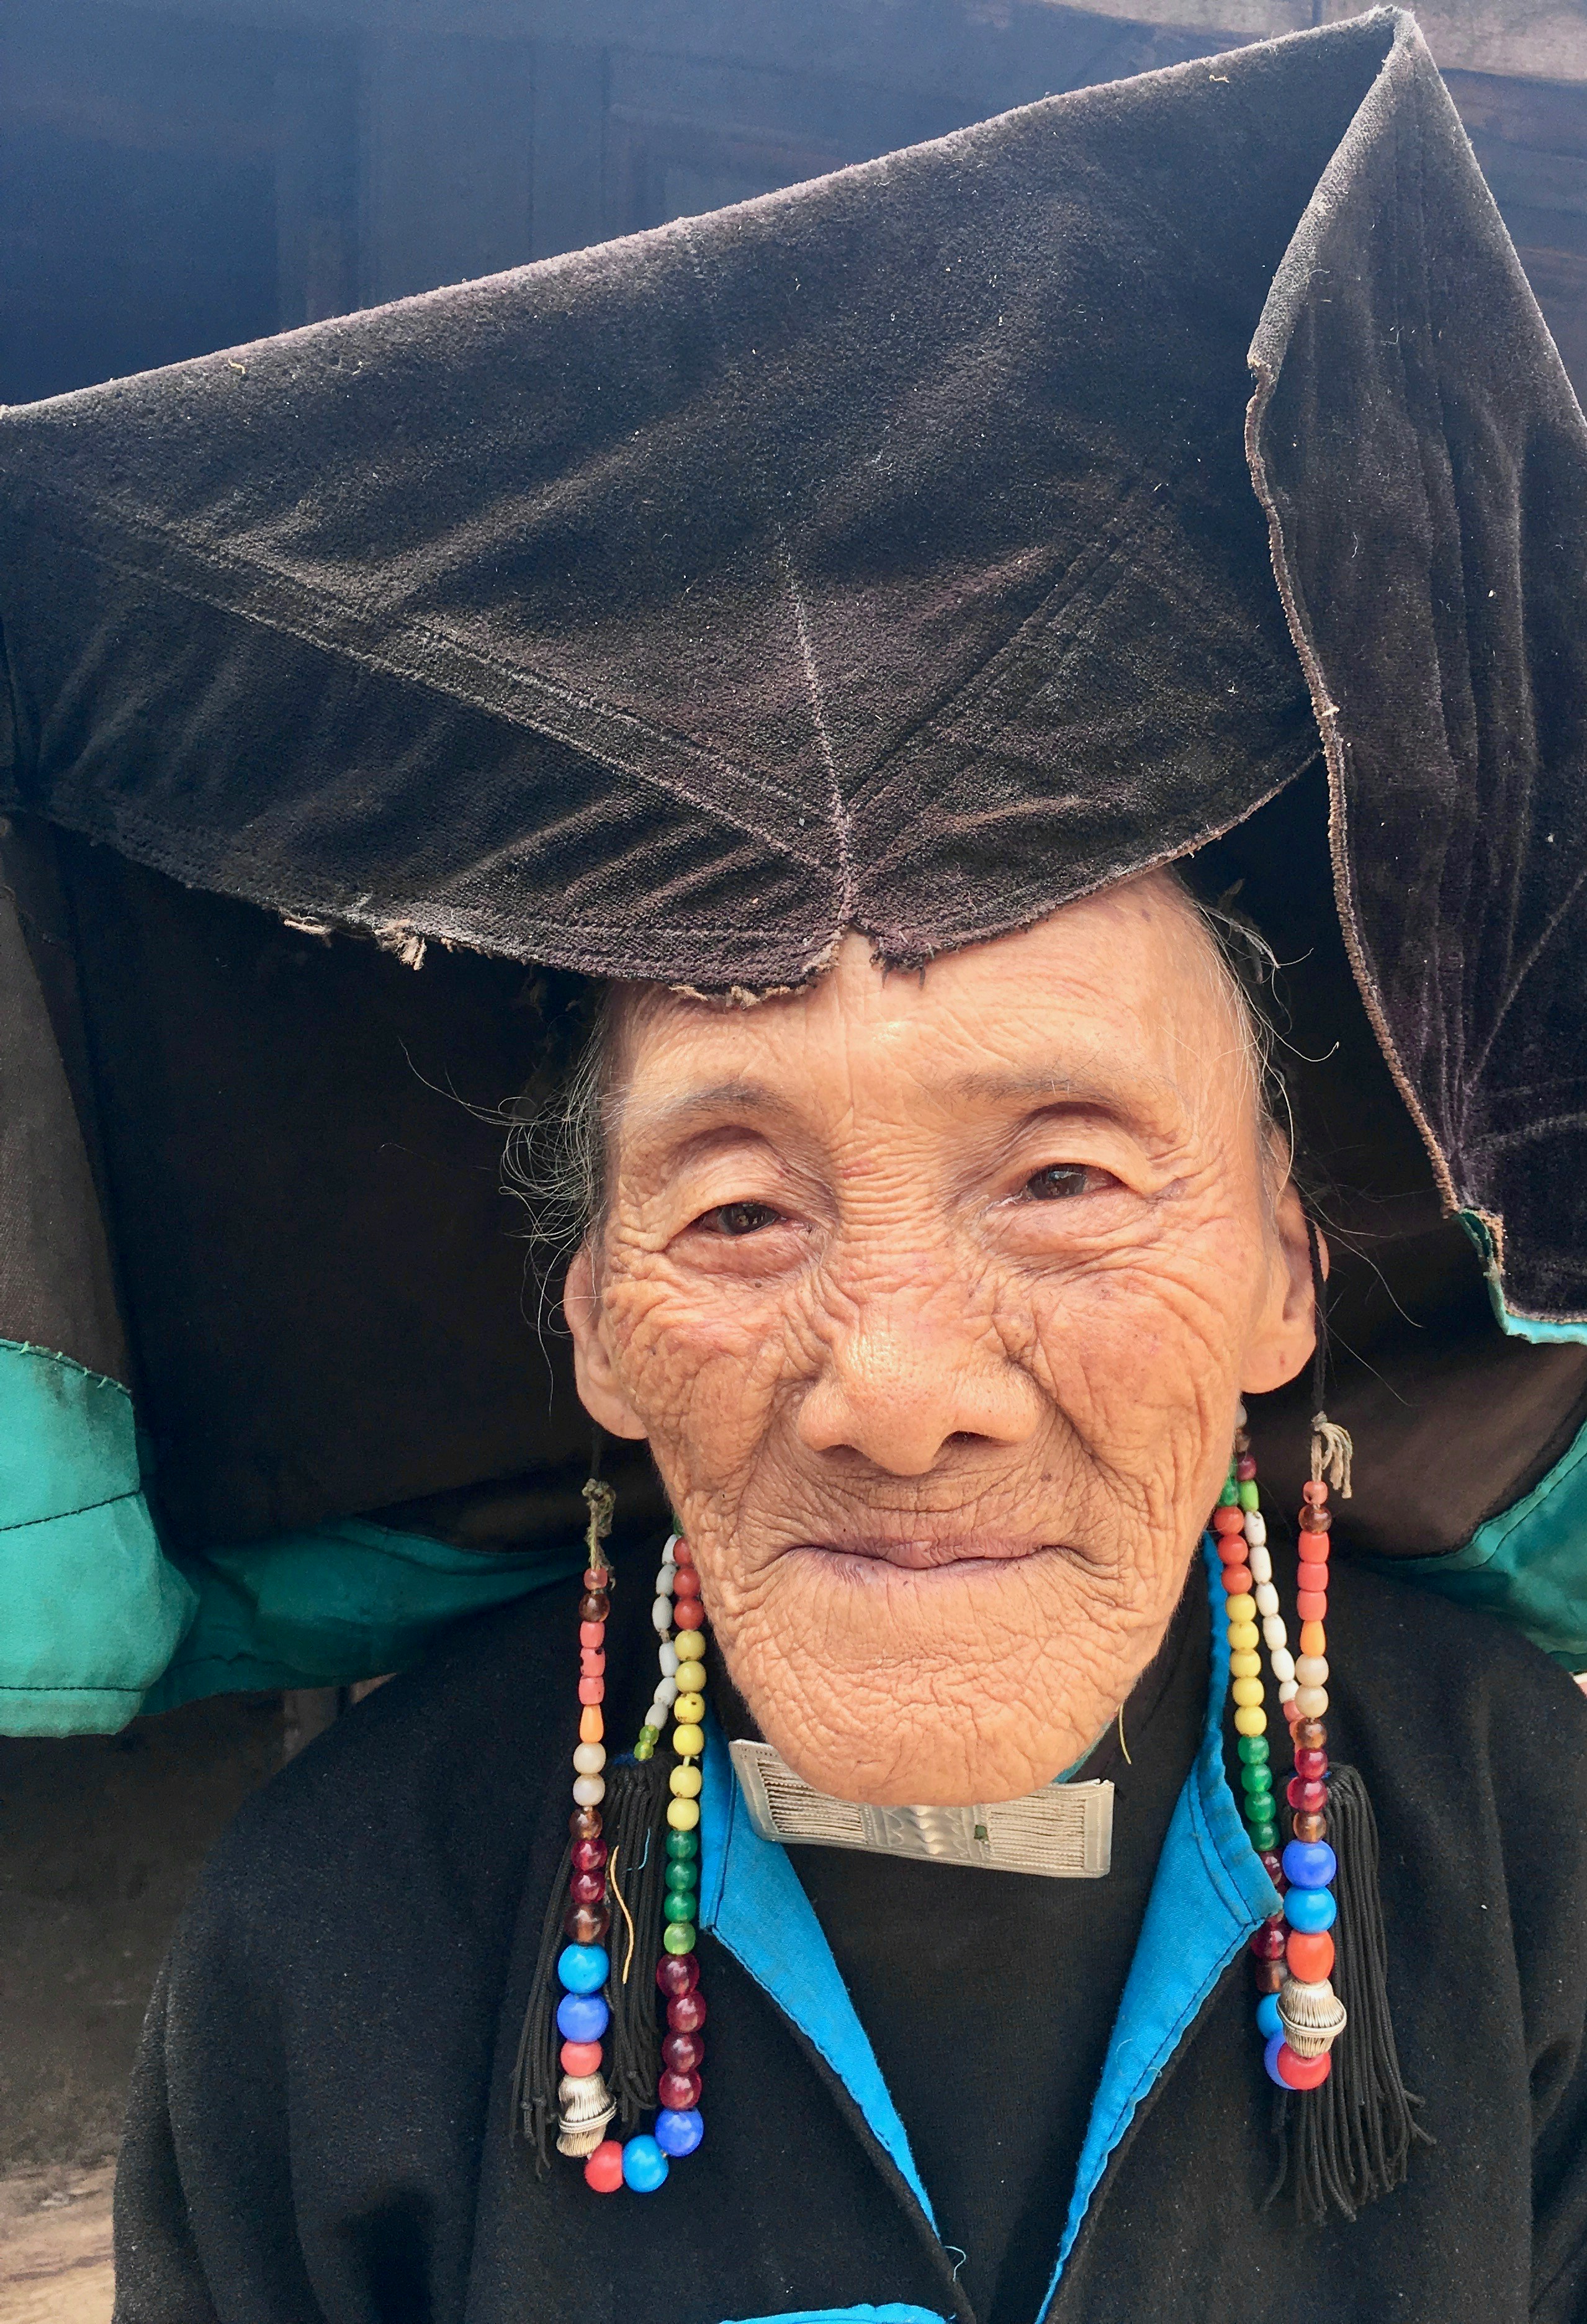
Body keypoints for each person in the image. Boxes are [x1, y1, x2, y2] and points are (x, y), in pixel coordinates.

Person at [0, 9, 1582, 2322]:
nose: (899, 1392)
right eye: (738, 1213)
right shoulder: (334, 1940)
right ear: (597, 1322)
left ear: (1282, 1274)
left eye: (1062, 1179)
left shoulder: (1527, 1858)